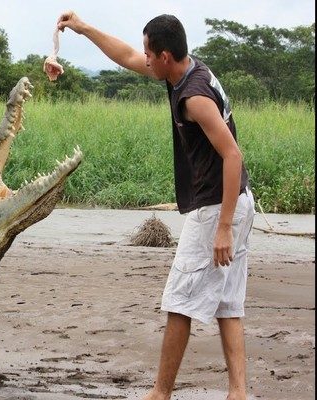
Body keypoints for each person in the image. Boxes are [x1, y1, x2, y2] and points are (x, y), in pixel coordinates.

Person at [57, 11, 255, 400]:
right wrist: (83, 29)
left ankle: (160, 394)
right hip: (236, 200)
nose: (144, 58)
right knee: (228, 303)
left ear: (165, 55)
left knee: (179, 301)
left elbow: (232, 155)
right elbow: (127, 56)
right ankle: (238, 393)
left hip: (219, 206)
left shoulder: (194, 97)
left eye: (150, 52)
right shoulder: (185, 70)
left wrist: (224, 226)